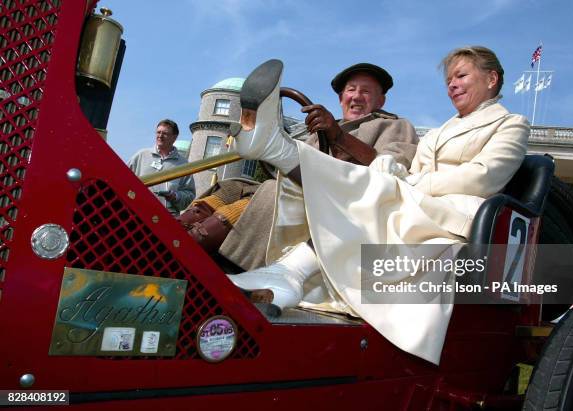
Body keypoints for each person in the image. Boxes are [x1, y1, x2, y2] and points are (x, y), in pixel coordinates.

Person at [227, 46, 529, 365]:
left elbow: (483, 178)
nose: (452, 84)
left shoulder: (511, 124)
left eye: (462, 76)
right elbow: (413, 172)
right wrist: (396, 173)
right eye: (449, 79)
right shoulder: (439, 133)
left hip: (459, 213)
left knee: (374, 187)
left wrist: (408, 183)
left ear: (492, 79)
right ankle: (287, 273)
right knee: (372, 183)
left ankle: (279, 151)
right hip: (418, 204)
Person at [179, 64, 419, 269]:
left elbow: (390, 171)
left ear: (381, 100)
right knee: (234, 186)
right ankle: (177, 233)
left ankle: (195, 255)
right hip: (306, 191)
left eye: (366, 92)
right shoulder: (321, 127)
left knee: (272, 193)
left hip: (345, 206)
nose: (356, 96)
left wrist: (337, 137)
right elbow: (292, 170)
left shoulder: (394, 126)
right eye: (351, 90)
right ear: (341, 98)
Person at [128, 119, 196, 216]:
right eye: (158, 132)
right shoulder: (141, 155)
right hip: (136, 212)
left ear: (174, 137)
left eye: (165, 133)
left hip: (164, 218)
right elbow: (123, 178)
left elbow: (190, 195)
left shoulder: (184, 164)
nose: (160, 136)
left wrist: (175, 196)